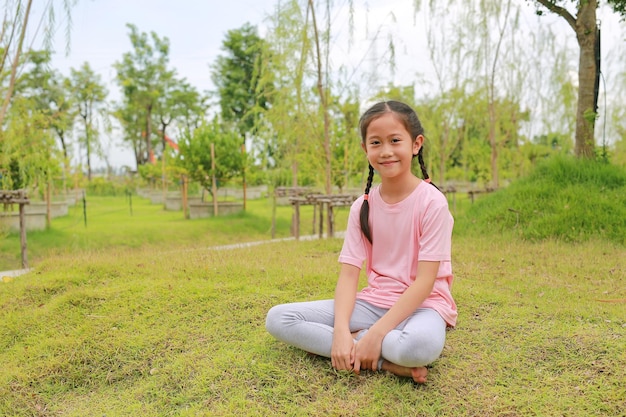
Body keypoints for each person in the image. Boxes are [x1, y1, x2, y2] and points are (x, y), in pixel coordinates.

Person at [265, 100, 457, 384]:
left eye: (395, 140)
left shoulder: (432, 203)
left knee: (419, 348)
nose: (386, 151)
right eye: (376, 143)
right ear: (365, 149)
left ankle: (366, 343)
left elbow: (426, 282)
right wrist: (342, 330)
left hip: (423, 306)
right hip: (373, 303)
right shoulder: (361, 207)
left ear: (416, 144)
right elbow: (348, 275)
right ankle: (382, 362)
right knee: (279, 318)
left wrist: (377, 333)